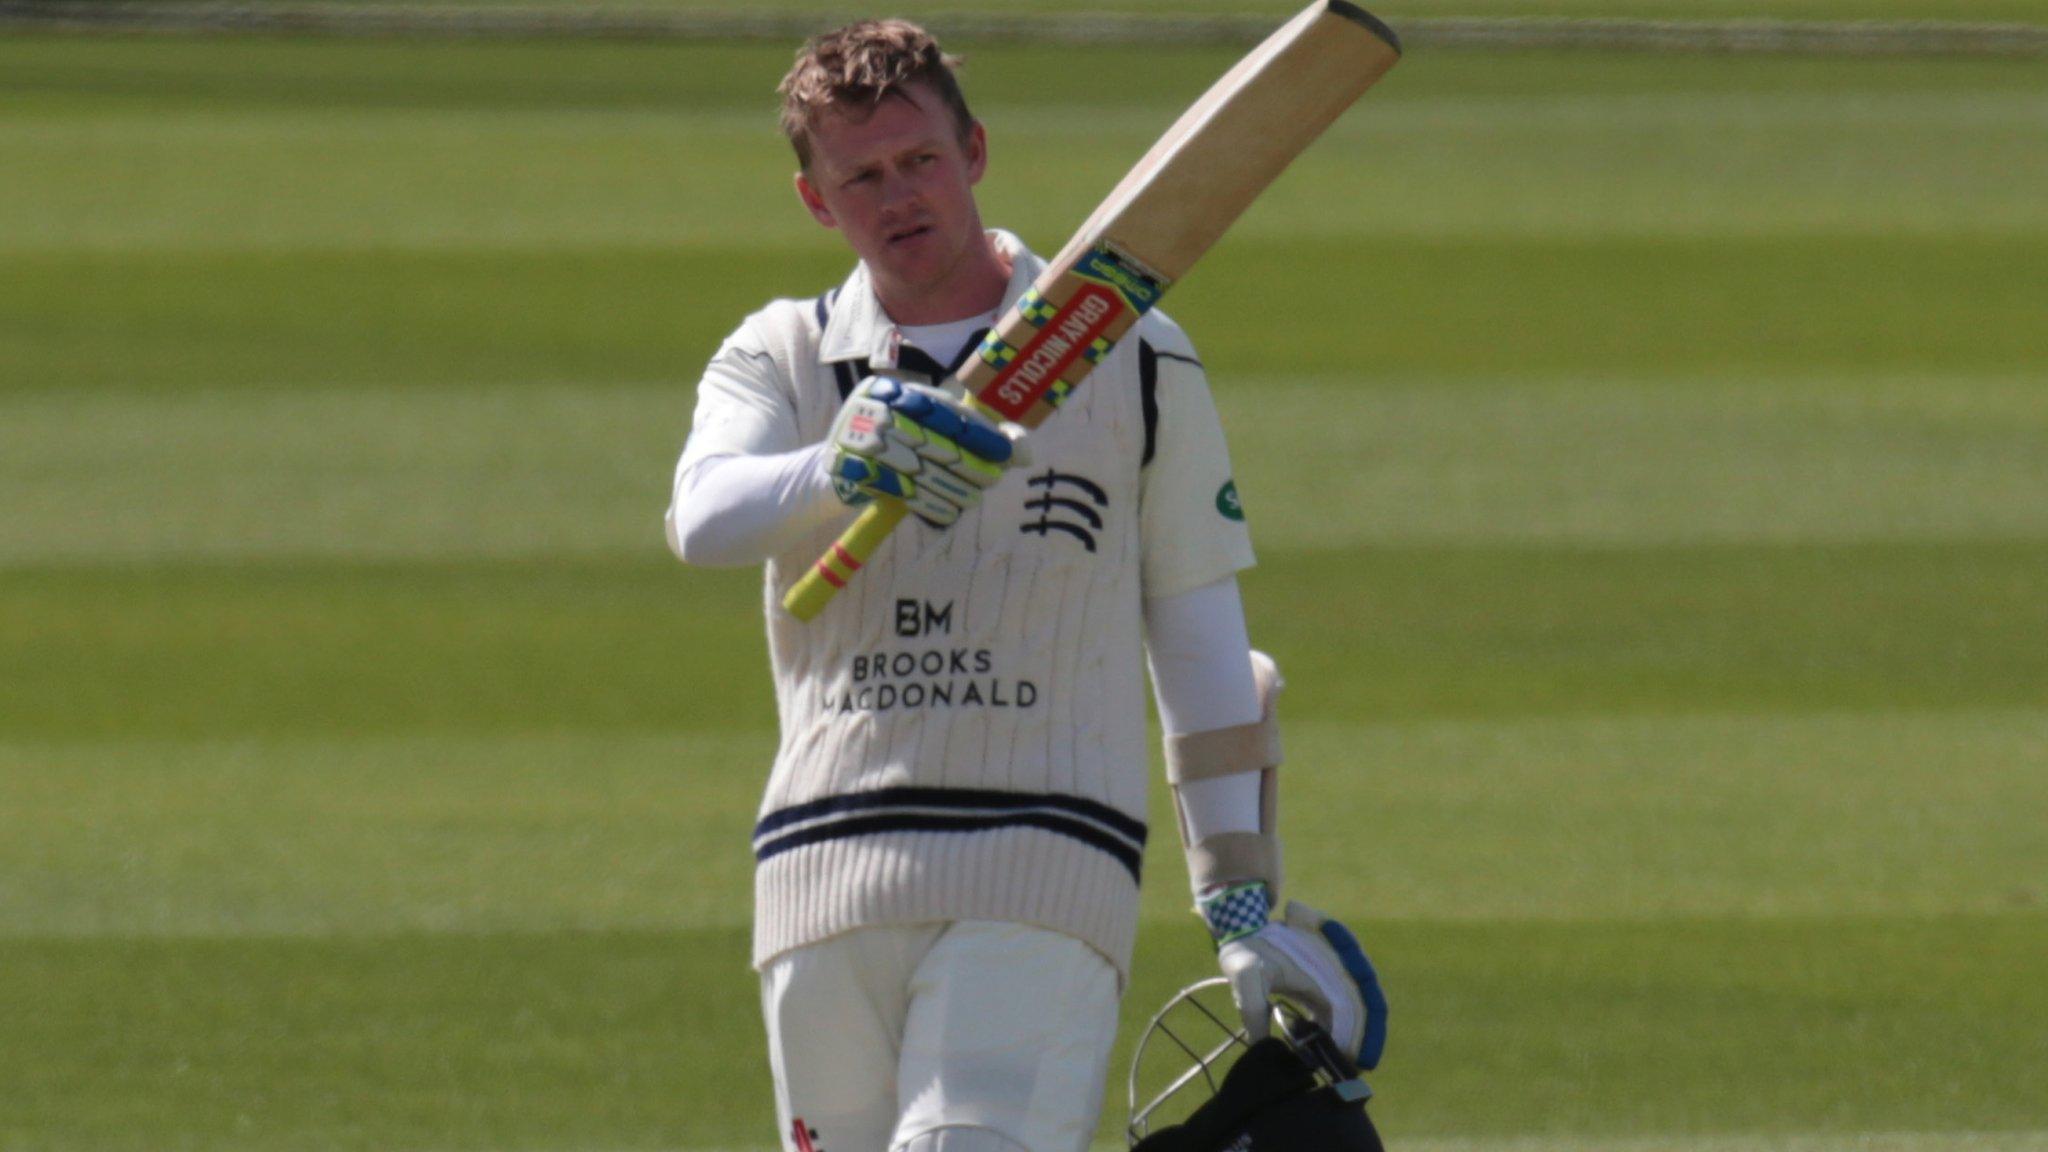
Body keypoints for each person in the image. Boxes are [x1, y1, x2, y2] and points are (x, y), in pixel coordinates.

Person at [664, 20, 1384, 1152]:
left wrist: (1235, 897)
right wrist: (840, 458)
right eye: (861, 177)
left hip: (1043, 858)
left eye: (921, 162)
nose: (899, 197)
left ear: (975, 153)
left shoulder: (1135, 354)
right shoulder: (785, 353)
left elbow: (1198, 636)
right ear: (815, 201)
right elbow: (701, 517)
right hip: (820, 875)